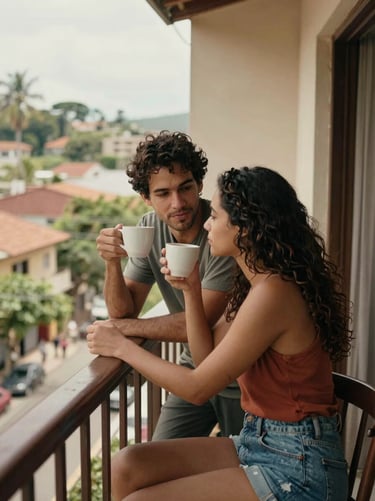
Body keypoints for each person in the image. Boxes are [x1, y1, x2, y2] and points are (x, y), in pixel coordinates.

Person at [87, 166, 353, 501]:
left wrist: (122, 346)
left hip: (298, 465)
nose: (207, 224)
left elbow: (198, 389)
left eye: (214, 215)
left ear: (245, 227)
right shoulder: (255, 284)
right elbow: (205, 359)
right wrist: (191, 290)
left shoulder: (274, 293)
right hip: (260, 440)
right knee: (128, 464)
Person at [93, 131, 244, 439]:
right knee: (155, 456)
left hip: (241, 379)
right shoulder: (149, 228)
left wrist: (122, 331)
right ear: (147, 198)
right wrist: (112, 263)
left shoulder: (222, 233)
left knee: (241, 465)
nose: (178, 203)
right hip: (193, 369)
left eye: (185, 188)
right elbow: (125, 310)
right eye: (163, 194)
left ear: (199, 184)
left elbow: (199, 323)